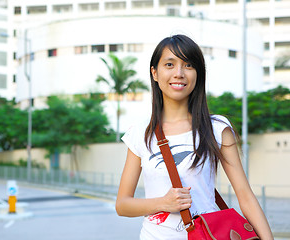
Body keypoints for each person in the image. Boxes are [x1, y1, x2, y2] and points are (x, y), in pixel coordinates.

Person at [115, 34, 273, 240]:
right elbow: (122, 204)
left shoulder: (217, 128)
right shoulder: (140, 133)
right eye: (169, 64)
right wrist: (163, 203)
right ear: (155, 73)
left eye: (188, 65)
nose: (179, 73)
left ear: (198, 74)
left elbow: (245, 196)